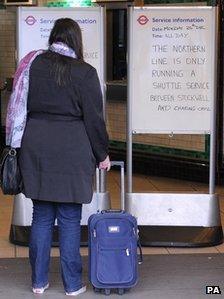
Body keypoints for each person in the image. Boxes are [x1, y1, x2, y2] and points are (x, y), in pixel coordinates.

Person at [6, 18, 110, 296]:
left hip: (36, 144)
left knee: (40, 216)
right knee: (68, 218)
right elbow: (94, 120)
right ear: (76, 40)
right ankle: (72, 284)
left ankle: (38, 281)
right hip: (71, 148)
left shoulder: (32, 65)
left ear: (53, 37)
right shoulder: (85, 72)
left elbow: (19, 106)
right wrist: (102, 153)